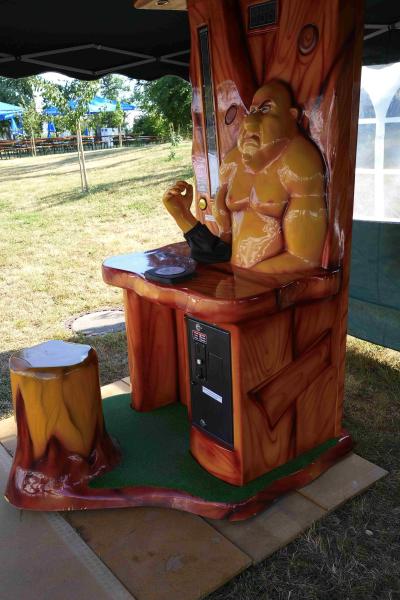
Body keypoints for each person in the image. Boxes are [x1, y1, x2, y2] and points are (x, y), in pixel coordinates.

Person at [163, 80, 327, 274]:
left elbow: (303, 259)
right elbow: (224, 247)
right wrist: (182, 215)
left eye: (266, 109)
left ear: (291, 117)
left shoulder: (299, 162)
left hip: (271, 288)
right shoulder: (232, 164)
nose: (249, 122)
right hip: (239, 279)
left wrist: (243, 283)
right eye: (252, 111)